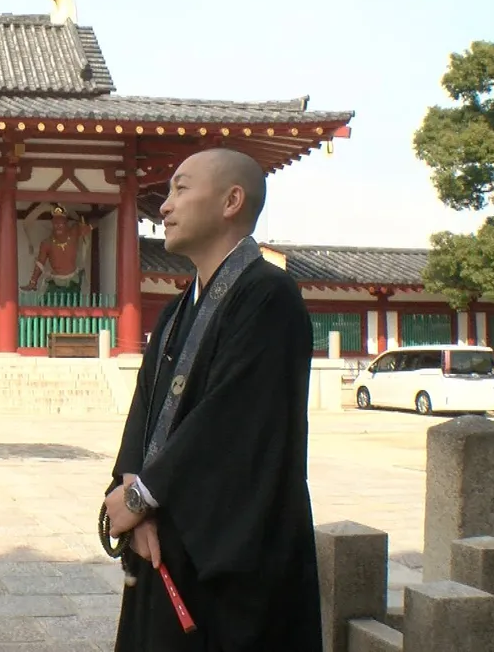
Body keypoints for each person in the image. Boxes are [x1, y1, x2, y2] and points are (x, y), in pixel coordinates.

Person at [102, 148, 322, 651]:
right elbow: (143, 412)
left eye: (181, 188)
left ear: (231, 200)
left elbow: (231, 423)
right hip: (161, 541)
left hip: (231, 556)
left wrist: (140, 499)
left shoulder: (269, 297)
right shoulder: (179, 309)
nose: (164, 205)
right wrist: (130, 490)